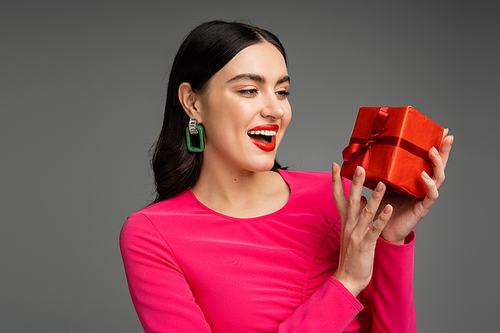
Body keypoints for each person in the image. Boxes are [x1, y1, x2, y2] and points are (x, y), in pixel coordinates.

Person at [120, 20, 453, 333]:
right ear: (192, 102)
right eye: (249, 90)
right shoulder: (151, 235)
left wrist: (391, 239)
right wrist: (346, 283)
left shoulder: (335, 196)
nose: (276, 110)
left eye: (281, 92)